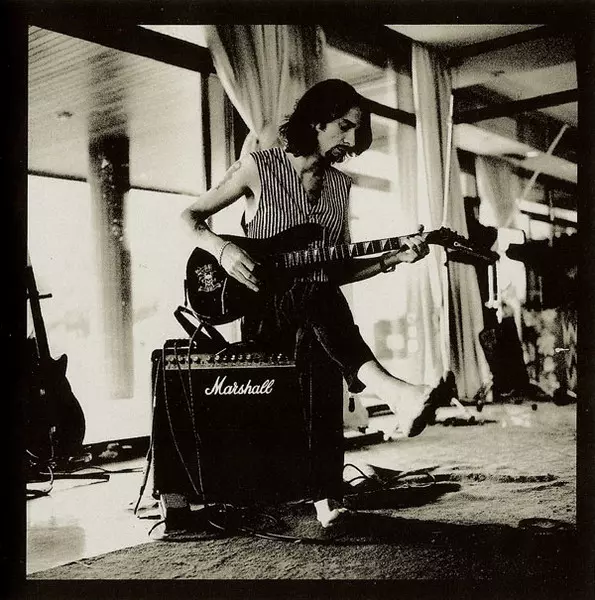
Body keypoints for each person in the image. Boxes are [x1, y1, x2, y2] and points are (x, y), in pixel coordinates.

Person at [182, 79, 441, 528]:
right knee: (319, 299)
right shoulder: (259, 166)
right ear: (316, 120)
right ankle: (393, 395)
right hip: (264, 312)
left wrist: (392, 259)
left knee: (320, 305)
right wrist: (223, 250)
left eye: (357, 131)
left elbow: (335, 267)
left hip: (317, 314)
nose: (351, 141)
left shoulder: (340, 187)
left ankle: (328, 500)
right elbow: (189, 216)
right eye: (344, 126)